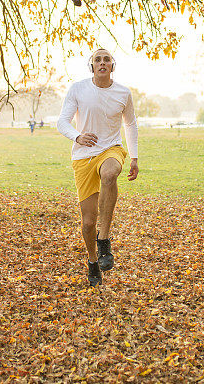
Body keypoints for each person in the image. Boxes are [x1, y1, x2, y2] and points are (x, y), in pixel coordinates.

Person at [57, 48, 139, 286]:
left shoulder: (123, 93)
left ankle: (104, 240)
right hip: (83, 156)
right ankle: (93, 260)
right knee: (88, 222)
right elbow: (62, 121)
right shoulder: (78, 89)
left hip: (110, 149)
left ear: (112, 65)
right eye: (97, 60)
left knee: (111, 173)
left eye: (107, 59)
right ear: (91, 65)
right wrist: (77, 136)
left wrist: (133, 157)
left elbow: (131, 124)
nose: (102, 63)